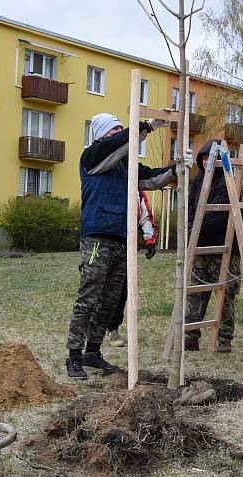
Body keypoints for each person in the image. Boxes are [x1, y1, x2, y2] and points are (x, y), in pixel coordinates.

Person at [65, 112, 176, 380]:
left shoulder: (125, 167)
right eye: (114, 130)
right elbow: (115, 146)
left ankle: (93, 352)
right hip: (97, 238)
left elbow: (149, 178)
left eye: (119, 129)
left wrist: (175, 170)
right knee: (88, 298)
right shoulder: (91, 157)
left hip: (122, 240)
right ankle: (74, 356)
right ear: (101, 134)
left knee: (110, 301)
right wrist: (145, 127)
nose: (118, 133)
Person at [184, 139, 242, 354]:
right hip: (201, 245)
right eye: (204, 158)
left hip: (224, 245)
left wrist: (196, 225)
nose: (207, 162)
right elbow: (191, 205)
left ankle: (224, 339)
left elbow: (218, 216)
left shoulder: (227, 181)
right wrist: (191, 227)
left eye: (211, 158)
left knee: (225, 293)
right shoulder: (198, 179)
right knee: (196, 291)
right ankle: (191, 335)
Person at [106, 191, 158, 347]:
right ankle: (95, 327)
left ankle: (113, 328)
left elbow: (145, 215)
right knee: (99, 287)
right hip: (102, 242)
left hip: (126, 247)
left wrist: (150, 239)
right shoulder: (106, 182)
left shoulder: (137, 190)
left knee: (122, 289)